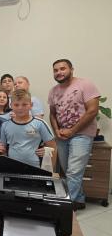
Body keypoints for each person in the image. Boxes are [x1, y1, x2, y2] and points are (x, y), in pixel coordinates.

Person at [48, 59, 100, 210]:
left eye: (62, 68)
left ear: (72, 69)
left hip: (82, 134)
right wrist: (56, 131)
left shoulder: (85, 84)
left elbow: (92, 110)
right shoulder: (53, 91)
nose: (59, 72)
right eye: (55, 70)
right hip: (62, 135)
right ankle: (79, 199)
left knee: (73, 171)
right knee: (69, 171)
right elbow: (52, 114)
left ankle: (63, 208)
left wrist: (72, 130)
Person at [0, 89, 56, 168]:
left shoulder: (40, 124)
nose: (20, 108)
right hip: (12, 169)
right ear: (11, 105)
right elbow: (2, 150)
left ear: (31, 105)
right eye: (16, 105)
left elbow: (52, 146)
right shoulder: (5, 126)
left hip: (36, 168)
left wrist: (51, 172)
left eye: (24, 104)